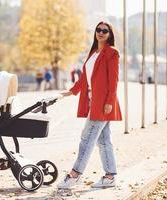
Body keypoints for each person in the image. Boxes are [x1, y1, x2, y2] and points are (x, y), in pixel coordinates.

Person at [57, 21, 122, 189]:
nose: (101, 33)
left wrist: (109, 102)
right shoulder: (94, 52)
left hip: (103, 103)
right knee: (104, 140)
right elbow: (86, 77)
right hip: (94, 101)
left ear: (109, 34)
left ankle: (74, 175)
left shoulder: (112, 53)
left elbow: (113, 80)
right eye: (98, 30)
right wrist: (72, 91)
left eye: (104, 31)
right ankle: (110, 176)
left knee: (87, 138)